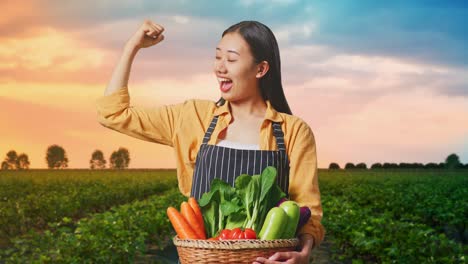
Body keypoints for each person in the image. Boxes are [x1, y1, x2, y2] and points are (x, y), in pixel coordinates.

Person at [96, 19, 325, 264]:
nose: (220, 68)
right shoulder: (193, 116)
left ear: (261, 69)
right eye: (218, 57)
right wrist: (132, 47)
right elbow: (113, 114)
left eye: (232, 59)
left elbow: (307, 208)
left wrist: (304, 252)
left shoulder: (293, 131)